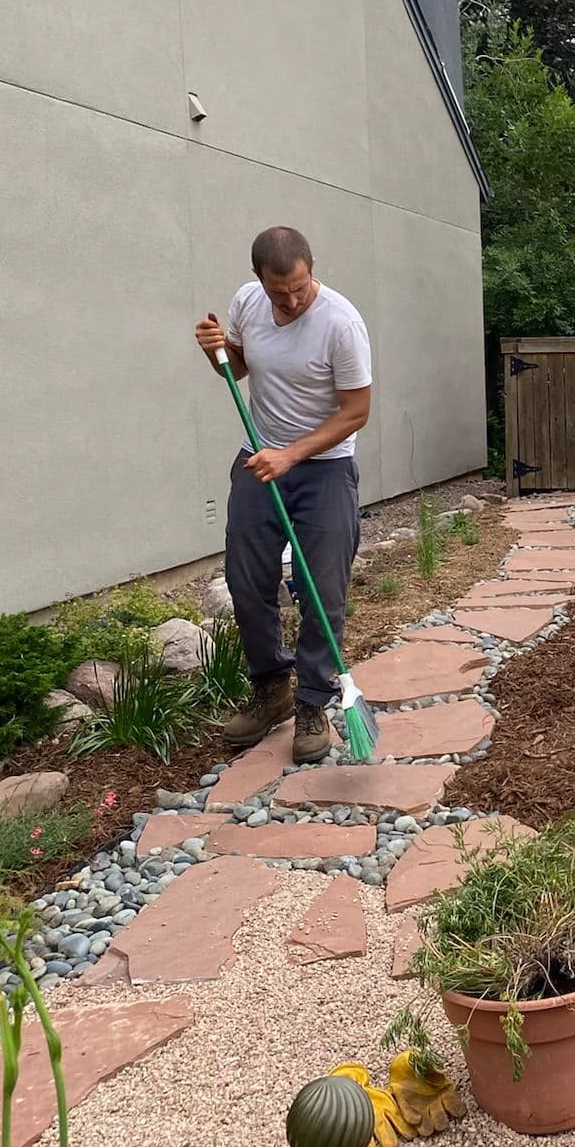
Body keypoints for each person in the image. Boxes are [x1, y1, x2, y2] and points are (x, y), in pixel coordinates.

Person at [194, 227, 372, 763]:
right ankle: (271, 687)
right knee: (245, 580)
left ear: (311, 267)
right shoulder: (248, 304)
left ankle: (313, 702)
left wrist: (291, 455)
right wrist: (216, 351)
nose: (291, 301)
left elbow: (356, 411)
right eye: (280, 293)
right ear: (259, 280)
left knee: (324, 589)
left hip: (325, 468)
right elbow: (239, 367)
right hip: (259, 459)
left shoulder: (341, 323)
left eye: (299, 288)